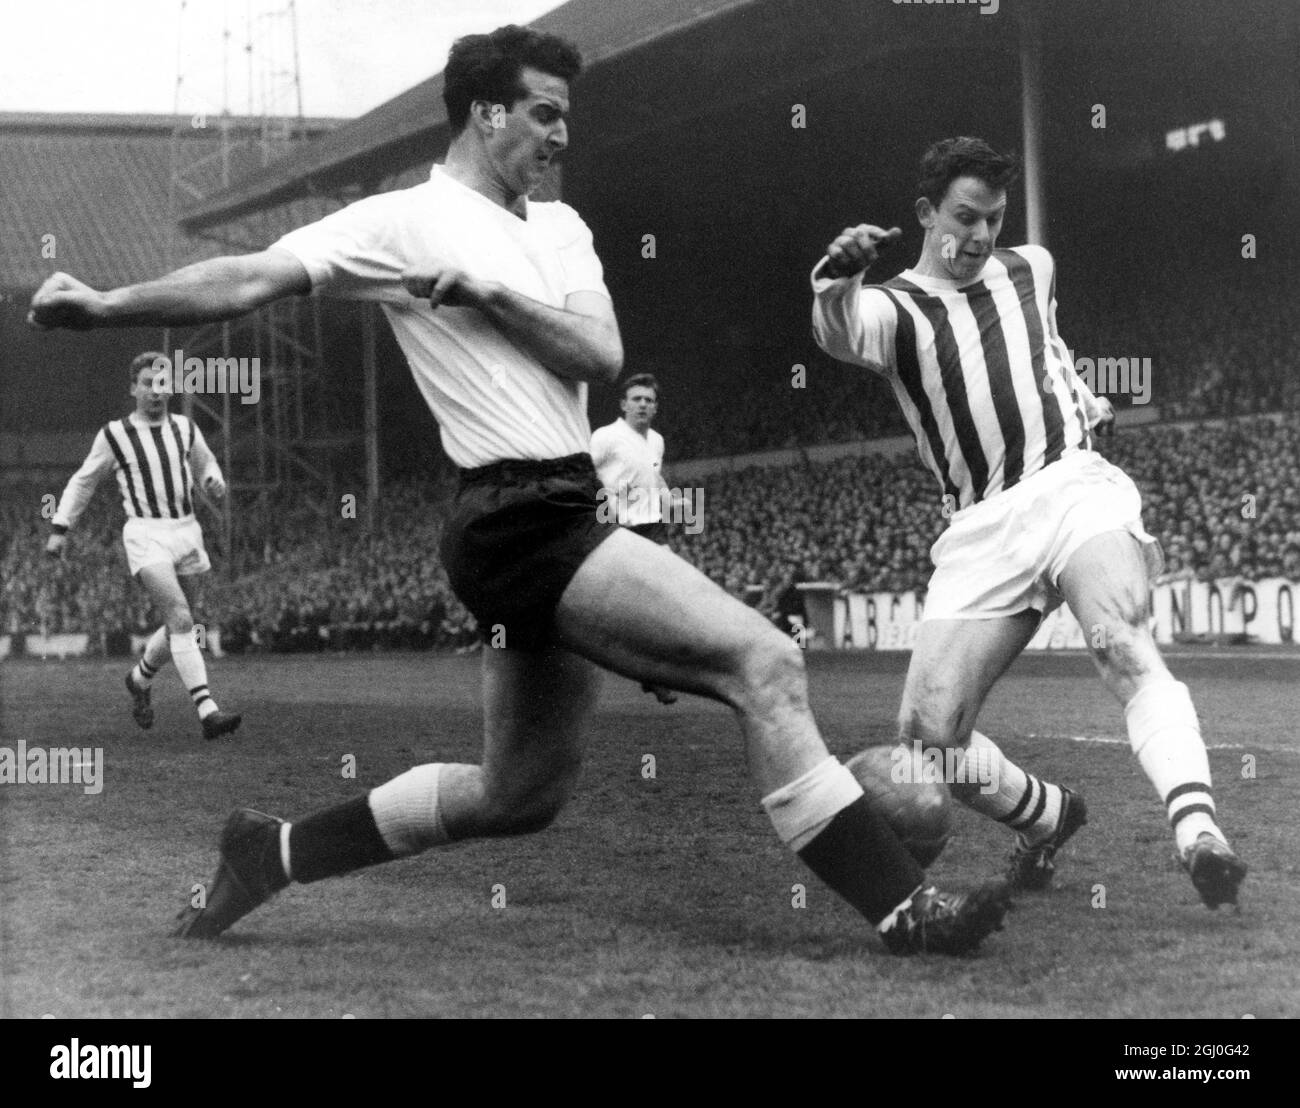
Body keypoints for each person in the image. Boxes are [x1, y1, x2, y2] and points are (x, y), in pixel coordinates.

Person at [29, 27, 1011, 954]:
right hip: (509, 518)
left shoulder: (562, 229)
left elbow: (598, 348)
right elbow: (248, 278)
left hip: (559, 510)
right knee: (762, 660)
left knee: (518, 793)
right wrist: (107, 306)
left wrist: (489, 294)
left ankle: (268, 851)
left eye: (565, 117)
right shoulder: (400, 222)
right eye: (542, 113)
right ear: (485, 114)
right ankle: (903, 908)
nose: (561, 134)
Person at [811, 136, 1245, 909]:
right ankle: (1049, 817)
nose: (980, 236)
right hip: (980, 527)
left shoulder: (1031, 267)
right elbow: (841, 331)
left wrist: (1082, 398)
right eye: (965, 218)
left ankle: (1198, 832)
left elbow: (1046, 349)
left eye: (994, 219)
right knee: (930, 738)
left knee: (1118, 637)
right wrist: (837, 279)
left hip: (1073, 486)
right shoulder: (893, 309)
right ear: (926, 213)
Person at [44, 352, 242, 741]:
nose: (156, 391)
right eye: (148, 384)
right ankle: (207, 710)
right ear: (133, 388)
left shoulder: (184, 427)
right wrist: (60, 527)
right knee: (182, 618)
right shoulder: (115, 435)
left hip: (187, 531)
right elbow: (83, 481)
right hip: (145, 534)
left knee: (181, 624)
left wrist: (213, 482)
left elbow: (206, 465)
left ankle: (139, 678)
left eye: (163, 383)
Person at [589, 372, 679, 704]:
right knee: (628, 609)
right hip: (618, 529)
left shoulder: (656, 441)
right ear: (623, 404)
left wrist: (683, 512)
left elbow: (655, 482)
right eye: (637, 399)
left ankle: (655, 672)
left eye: (649, 400)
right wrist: (601, 513)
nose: (643, 404)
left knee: (668, 596)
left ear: (655, 408)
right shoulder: (605, 437)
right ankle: (645, 669)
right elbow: (585, 477)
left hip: (653, 528)